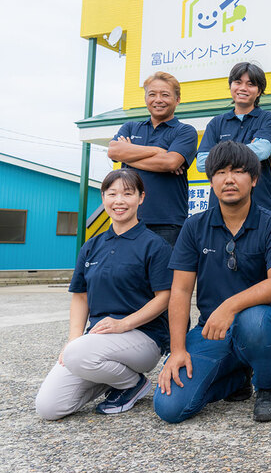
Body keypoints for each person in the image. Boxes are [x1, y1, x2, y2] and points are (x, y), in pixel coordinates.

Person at [153, 141, 271, 423]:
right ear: (211, 179)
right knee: (170, 407)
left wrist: (230, 306)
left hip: (264, 324)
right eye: (220, 172)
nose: (229, 179)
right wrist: (178, 350)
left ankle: (268, 387)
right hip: (212, 331)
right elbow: (180, 291)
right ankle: (237, 376)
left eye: (239, 171)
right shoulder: (195, 226)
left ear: (254, 179)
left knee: (253, 320)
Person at [36, 169, 172, 420]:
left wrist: (123, 324)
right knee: (48, 408)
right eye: (112, 194)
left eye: (128, 194)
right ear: (103, 197)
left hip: (143, 338)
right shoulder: (91, 246)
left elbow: (164, 298)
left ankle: (132, 383)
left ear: (141, 198)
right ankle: (113, 377)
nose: (119, 201)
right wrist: (73, 339)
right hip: (96, 342)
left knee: (79, 354)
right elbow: (80, 296)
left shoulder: (154, 245)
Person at [107, 71, 198, 246]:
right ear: (146, 98)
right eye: (152, 94)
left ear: (177, 99)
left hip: (167, 222)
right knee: (128, 273)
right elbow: (113, 151)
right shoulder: (130, 128)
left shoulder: (185, 131)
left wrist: (128, 153)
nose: (158, 100)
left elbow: (171, 162)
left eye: (165, 95)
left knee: (162, 274)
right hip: (128, 218)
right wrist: (158, 151)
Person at [196, 62, 271, 213]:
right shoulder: (216, 123)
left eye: (250, 84)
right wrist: (249, 150)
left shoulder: (268, 119)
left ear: (259, 91)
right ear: (231, 86)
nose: (243, 88)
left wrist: (218, 155)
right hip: (220, 209)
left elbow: (263, 150)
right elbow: (202, 163)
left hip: (260, 206)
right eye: (238, 82)